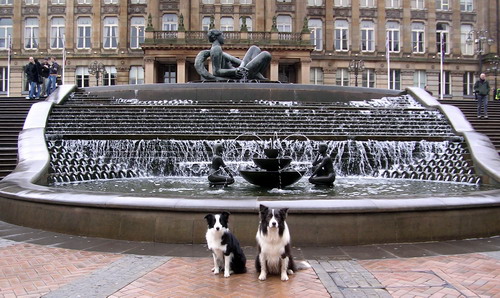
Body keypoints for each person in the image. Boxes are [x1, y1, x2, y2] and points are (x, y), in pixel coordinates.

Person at [195, 29, 271, 81]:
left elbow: (236, 61)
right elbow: (216, 72)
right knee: (266, 55)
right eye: (221, 36)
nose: (223, 38)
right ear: (216, 37)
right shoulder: (216, 49)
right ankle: (255, 75)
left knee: (254, 48)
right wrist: (235, 71)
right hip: (239, 75)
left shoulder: (218, 48)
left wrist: (242, 66)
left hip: (240, 70)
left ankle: (256, 74)